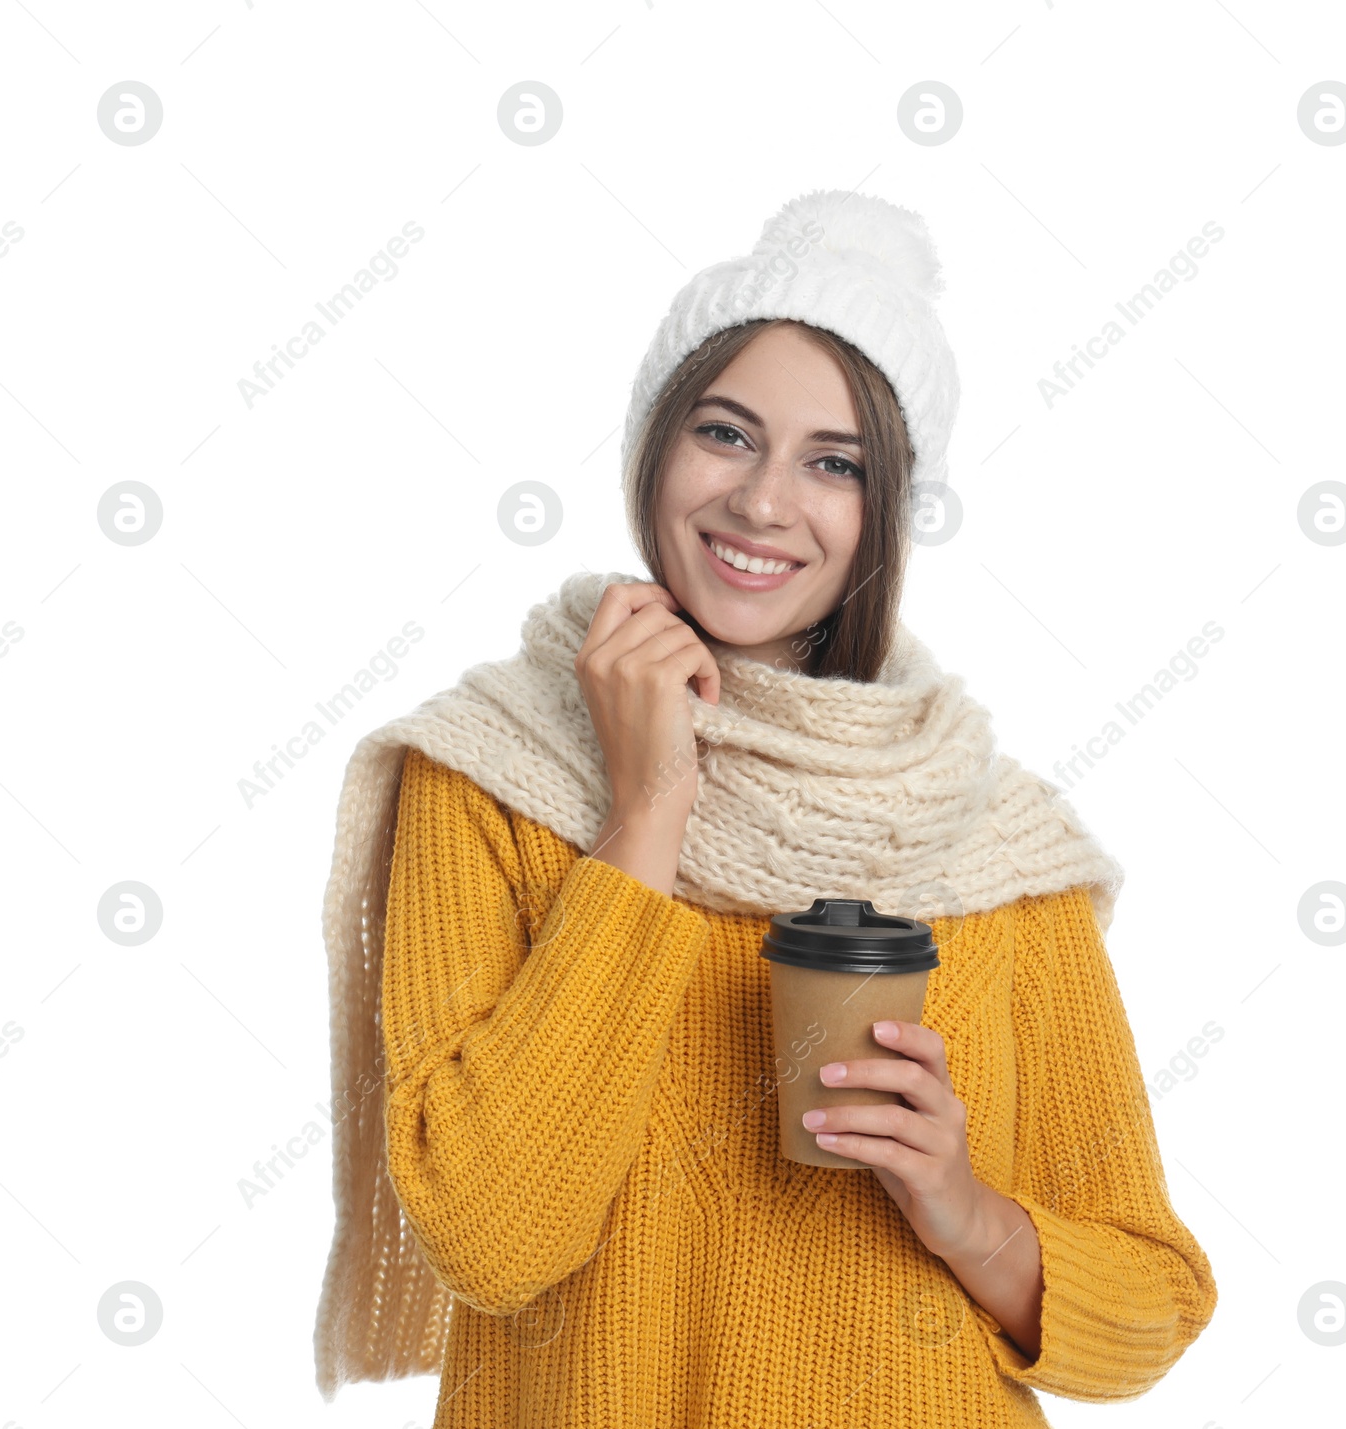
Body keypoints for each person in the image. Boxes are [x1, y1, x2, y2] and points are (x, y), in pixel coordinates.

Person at [311, 189, 1219, 1427]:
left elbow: (1150, 1311)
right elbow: (491, 1236)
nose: (762, 502)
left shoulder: (987, 834)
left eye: (833, 463)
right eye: (726, 435)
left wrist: (965, 1211)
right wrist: (647, 810)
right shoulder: (489, 777)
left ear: (886, 509)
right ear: (653, 447)